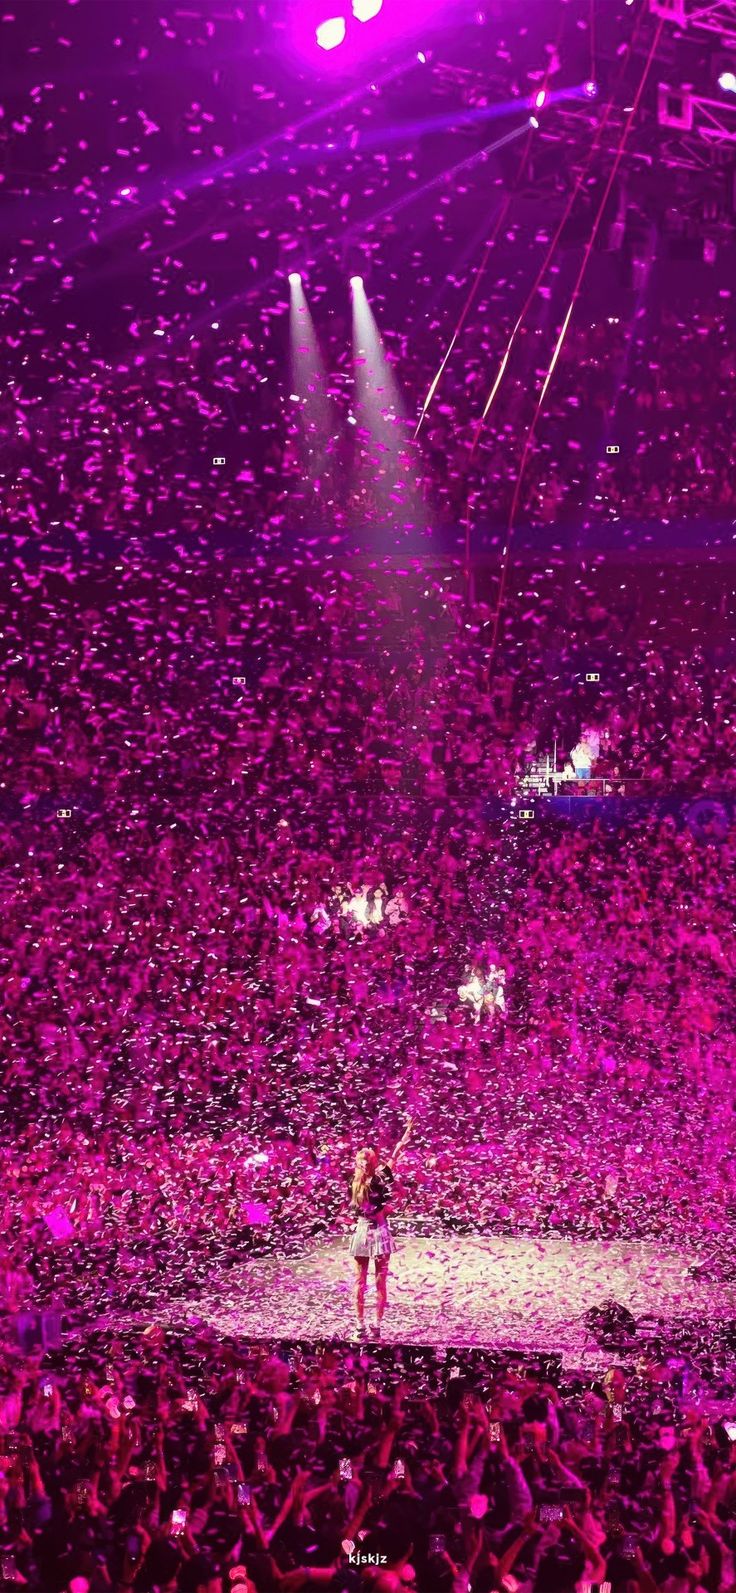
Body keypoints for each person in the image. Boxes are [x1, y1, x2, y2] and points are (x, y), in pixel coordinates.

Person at [349, 1116, 413, 1339]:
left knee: (363, 1281)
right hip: (377, 1230)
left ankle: (362, 1324)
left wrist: (404, 1136)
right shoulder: (371, 1180)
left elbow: (394, 1159)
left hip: (365, 1230)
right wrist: (389, 1207)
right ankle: (373, 1324)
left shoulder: (358, 1181)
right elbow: (378, 1210)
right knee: (378, 1282)